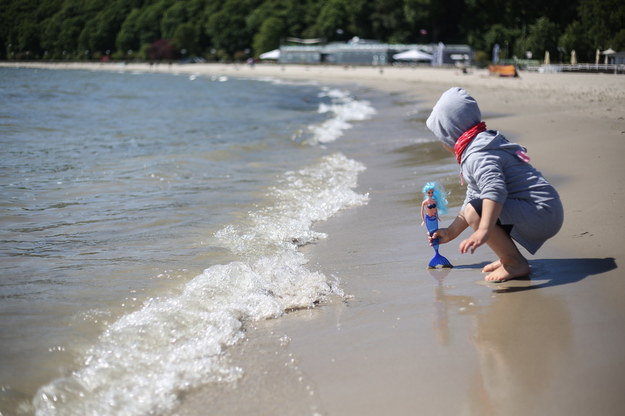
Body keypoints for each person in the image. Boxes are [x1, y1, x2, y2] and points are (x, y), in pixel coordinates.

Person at [425, 87, 563, 282]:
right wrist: (451, 231)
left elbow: (493, 190)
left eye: (441, 136)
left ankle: (514, 262)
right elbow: (474, 196)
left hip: (540, 213)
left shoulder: (477, 155)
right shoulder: (481, 144)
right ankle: (508, 257)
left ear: (451, 133)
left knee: (478, 212)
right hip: (542, 209)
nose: (441, 143)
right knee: (478, 208)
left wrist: (483, 230)